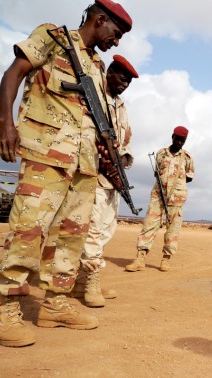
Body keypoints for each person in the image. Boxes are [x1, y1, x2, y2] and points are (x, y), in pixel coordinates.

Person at [0, 0, 132, 347]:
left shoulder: (97, 66)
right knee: (29, 230)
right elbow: (13, 73)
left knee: (70, 238)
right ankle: (5, 308)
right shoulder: (53, 38)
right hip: (46, 153)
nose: (115, 42)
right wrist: (5, 123)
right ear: (100, 19)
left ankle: (55, 304)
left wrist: (109, 159)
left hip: (84, 165)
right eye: (115, 34)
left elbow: (96, 120)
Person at [68, 54, 138, 308]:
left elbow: (126, 141)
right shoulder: (93, 95)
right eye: (122, 78)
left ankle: (80, 283)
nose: (124, 85)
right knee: (93, 231)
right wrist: (100, 157)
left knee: (107, 229)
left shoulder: (120, 106)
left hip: (111, 179)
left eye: (128, 82)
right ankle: (91, 283)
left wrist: (120, 163)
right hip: (90, 175)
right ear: (109, 73)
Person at [125, 126, 194, 272]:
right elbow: (157, 172)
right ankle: (140, 258)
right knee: (149, 225)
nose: (180, 142)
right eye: (178, 138)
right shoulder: (160, 154)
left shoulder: (187, 158)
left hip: (177, 198)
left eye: (183, 140)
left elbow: (189, 178)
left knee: (173, 229)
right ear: (172, 136)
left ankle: (166, 260)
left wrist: (174, 187)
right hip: (158, 195)